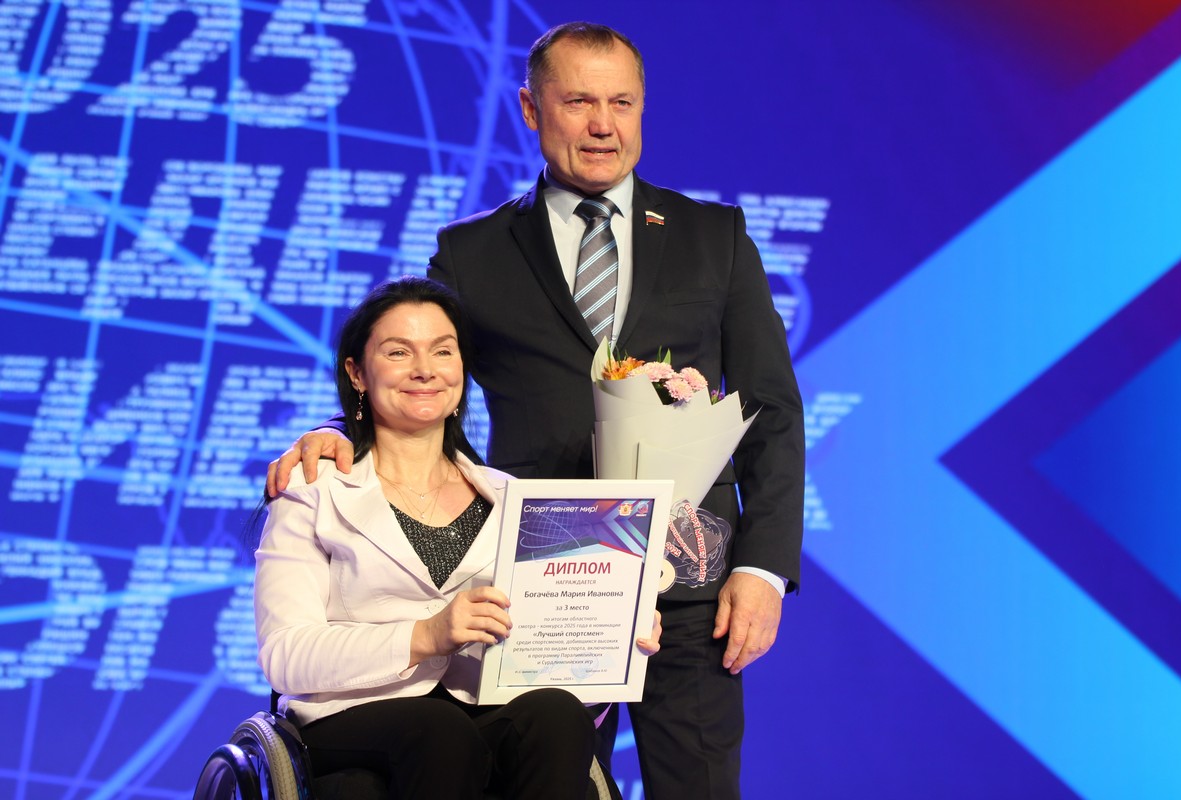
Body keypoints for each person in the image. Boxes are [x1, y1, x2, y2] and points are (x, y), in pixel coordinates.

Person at [268, 22, 805, 800]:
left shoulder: (712, 236)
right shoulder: (473, 252)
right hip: (547, 585)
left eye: (622, 103)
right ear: (530, 108)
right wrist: (333, 432)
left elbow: (773, 409)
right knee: (545, 777)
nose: (603, 125)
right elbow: (417, 368)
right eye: (579, 101)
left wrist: (763, 568)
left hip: (690, 580)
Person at [255, 276, 661, 799]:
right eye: (398, 352)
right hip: (352, 717)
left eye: (442, 351)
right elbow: (285, 655)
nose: (425, 369)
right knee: (439, 731)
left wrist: (613, 634)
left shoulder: (513, 497)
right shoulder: (312, 489)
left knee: (557, 715)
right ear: (357, 373)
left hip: (481, 707)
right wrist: (426, 635)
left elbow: (548, 652)